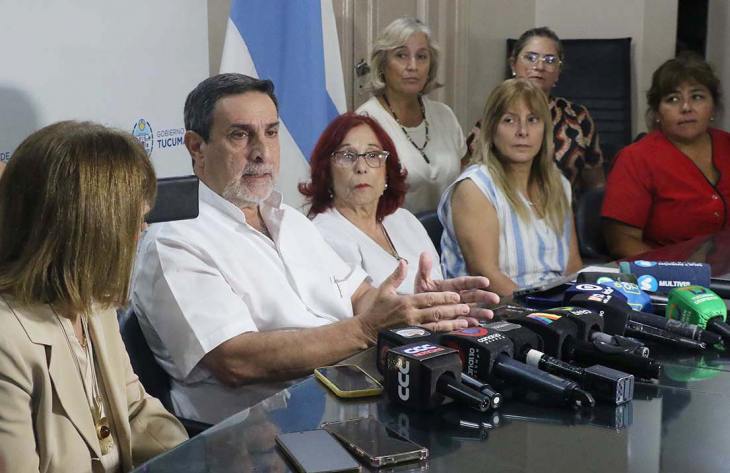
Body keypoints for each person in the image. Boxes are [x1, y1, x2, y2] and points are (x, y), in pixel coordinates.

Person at [131, 73, 499, 424]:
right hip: (254, 439)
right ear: (196, 147)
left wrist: (413, 306)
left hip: (349, 408)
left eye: (271, 132)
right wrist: (366, 330)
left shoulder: (289, 219)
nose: (262, 152)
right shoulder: (175, 241)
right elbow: (236, 361)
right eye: (240, 135)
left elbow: (361, 296)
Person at [0, 121, 187, 473]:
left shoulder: (94, 304)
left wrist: (199, 457)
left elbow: (134, 411)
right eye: (133, 218)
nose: (142, 229)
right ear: (89, 226)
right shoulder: (7, 341)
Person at [439, 79, 582, 297]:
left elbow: (573, 267)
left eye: (532, 120)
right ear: (491, 129)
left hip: (554, 307)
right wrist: (545, 310)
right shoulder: (475, 188)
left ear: (545, 129)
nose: (523, 131)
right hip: (496, 309)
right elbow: (487, 277)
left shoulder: (559, 184)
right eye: (509, 120)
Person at [602, 53, 730, 258]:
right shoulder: (635, 159)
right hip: (666, 273)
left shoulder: (726, 144)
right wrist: (674, 271)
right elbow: (622, 241)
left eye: (697, 97)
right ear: (657, 113)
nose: (686, 107)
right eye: (673, 99)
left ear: (713, 107)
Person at [300, 113, 441, 294]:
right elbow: (357, 306)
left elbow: (439, 283)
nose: (361, 167)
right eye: (347, 156)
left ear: (387, 170)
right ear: (327, 172)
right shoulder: (322, 235)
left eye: (373, 155)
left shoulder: (405, 220)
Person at [466, 27, 605, 199]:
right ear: (513, 65)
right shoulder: (496, 116)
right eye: (530, 58)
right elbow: (472, 177)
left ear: (558, 71)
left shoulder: (578, 117)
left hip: (564, 210)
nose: (539, 66)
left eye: (550, 60)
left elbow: (596, 186)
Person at [356, 17, 466, 214]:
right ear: (382, 64)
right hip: (390, 230)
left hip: (448, 230)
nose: (413, 66)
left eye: (421, 56)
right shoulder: (365, 122)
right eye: (401, 55)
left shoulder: (445, 115)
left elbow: (464, 185)